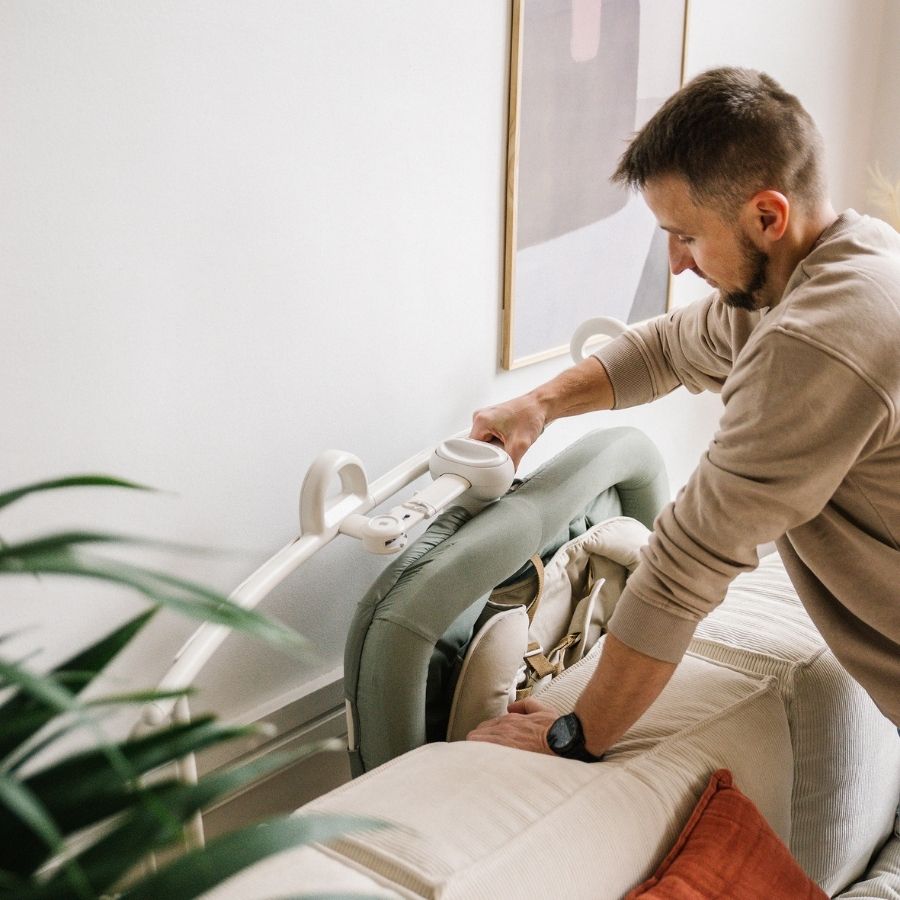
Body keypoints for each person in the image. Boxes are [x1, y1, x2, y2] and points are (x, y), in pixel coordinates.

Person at [466, 67, 900, 762]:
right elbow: (668, 348)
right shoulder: (839, 265)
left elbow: (686, 563)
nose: (675, 262)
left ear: (767, 216)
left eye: (687, 237)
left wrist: (574, 734)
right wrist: (538, 405)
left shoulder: (815, 342)